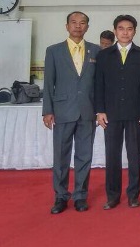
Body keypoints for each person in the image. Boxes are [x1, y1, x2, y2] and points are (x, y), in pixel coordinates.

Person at [43, 11, 100, 214]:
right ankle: (60, 196)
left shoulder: (96, 51)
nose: (78, 26)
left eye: (82, 23)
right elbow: (49, 82)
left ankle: (80, 196)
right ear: (66, 26)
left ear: (87, 27)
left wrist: (100, 110)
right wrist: (47, 110)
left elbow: (99, 84)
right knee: (61, 156)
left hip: (87, 110)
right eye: (74, 23)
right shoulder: (54, 51)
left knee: (84, 156)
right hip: (63, 110)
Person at [95, 14, 140, 209]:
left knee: (134, 155)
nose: (125, 32)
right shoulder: (104, 55)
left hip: (135, 114)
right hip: (111, 113)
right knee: (112, 155)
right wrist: (100, 110)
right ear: (115, 30)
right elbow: (98, 85)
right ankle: (113, 196)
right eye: (121, 29)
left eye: (129, 29)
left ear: (134, 31)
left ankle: (133, 195)